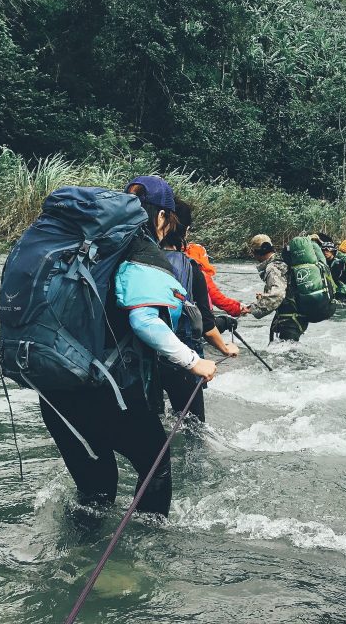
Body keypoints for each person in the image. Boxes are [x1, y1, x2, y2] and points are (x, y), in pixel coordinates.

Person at [39, 176, 216, 516]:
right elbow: (145, 321)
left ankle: (78, 560)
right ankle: (141, 560)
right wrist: (195, 361)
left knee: (95, 493)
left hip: (56, 389)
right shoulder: (143, 252)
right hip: (107, 392)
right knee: (156, 466)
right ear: (162, 217)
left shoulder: (87, 248)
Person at [155, 199, 238, 422]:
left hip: (143, 361)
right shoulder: (191, 268)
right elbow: (206, 325)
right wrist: (225, 348)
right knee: (193, 427)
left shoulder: (137, 260)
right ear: (186, 230)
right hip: (182, 360)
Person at [247, 234, 307, 342]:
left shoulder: (273, 267)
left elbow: (278, 295)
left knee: (288, 354)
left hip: (290, 319)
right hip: (297, 315)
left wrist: (252, 308)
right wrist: (265, 296)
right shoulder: (282, 260)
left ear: (256, 252)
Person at [185, 241, 248, 318]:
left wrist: (238, 305)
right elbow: (217, 298)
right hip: (198, 317)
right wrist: (238, 308)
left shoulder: (180, 265)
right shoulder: (201, 274)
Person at [314, 234, 346, 304]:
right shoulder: (324, 262)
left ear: (332, 251)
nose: (325, 252)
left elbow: (335, 277)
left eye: (327, 250)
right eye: (323, 250)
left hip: (342, 293)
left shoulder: (338, 263)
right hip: (333, 291)